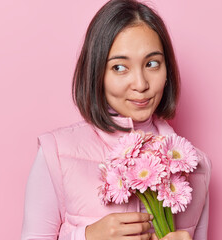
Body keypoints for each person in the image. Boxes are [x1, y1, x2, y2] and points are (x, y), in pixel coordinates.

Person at [21, 0, 211, 239]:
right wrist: (86, 236)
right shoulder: (56, 154)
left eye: (152, 64)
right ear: (96, 72)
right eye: (120, 68)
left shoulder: (197, 166)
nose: (141, 85)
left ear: (167, 71)